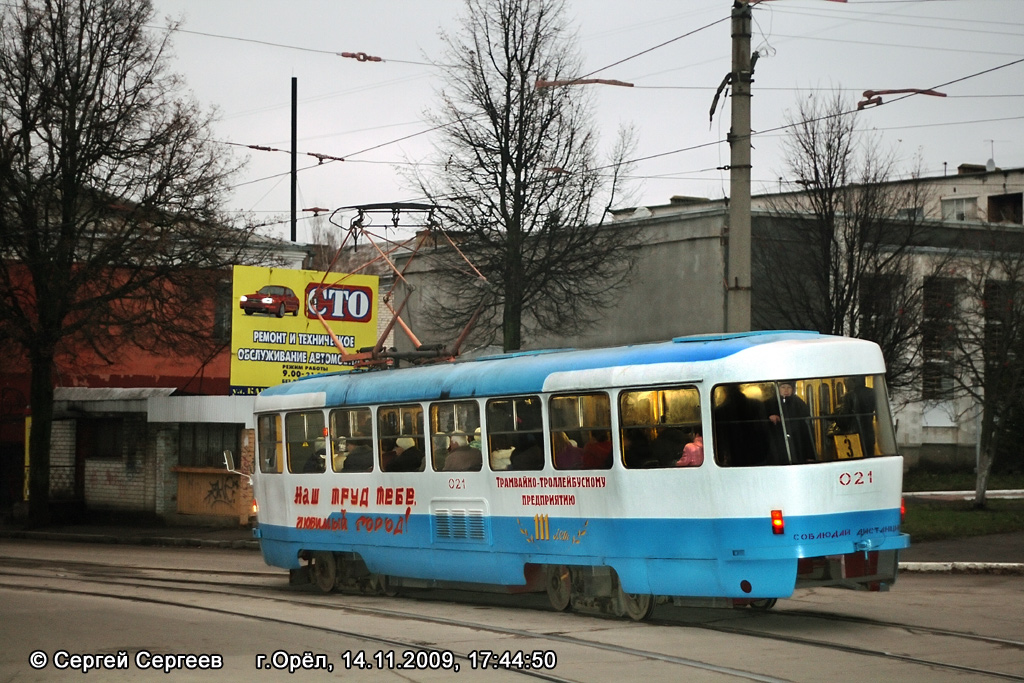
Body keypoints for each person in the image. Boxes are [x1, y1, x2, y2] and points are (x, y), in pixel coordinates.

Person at [767, 381, 816, 464]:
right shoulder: (769, 404)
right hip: (775, 448)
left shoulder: (800, 404)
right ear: (777, 389)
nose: (786, 390)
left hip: (797, 446)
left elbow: (807, 431)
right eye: (783, 387)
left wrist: (810, 455)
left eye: (788, 387)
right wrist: (768, 417)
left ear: (792, 389)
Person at [840, 376, 876, 458]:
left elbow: (845, 417)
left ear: (853, 381)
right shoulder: (872, 392)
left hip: (854, 433)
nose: (845, 385)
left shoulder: (849, 396)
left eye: (846, 382)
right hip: (869, 432)